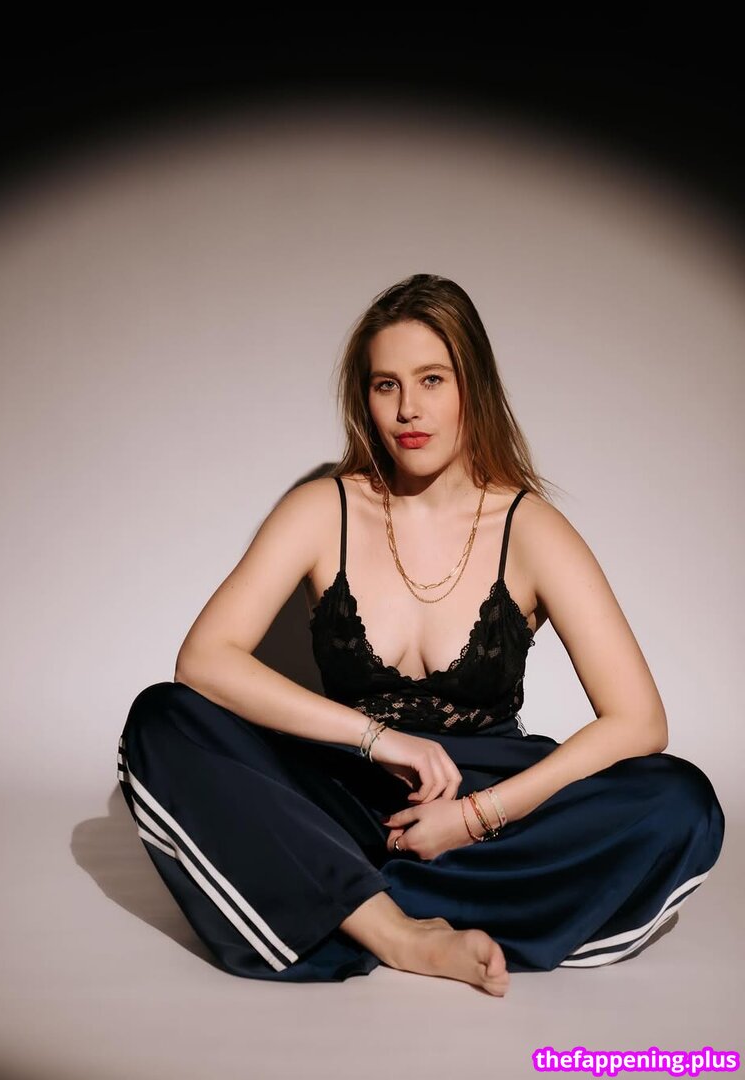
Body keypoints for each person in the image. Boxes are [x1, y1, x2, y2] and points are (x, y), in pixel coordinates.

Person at [116, 273, 724, 996]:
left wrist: (473, 818)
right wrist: (380, 740)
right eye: (386, 385)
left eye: (432, 380)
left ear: (473, 387)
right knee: (163, 718)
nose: (408, 408)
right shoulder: (322, 510)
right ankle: (395, 930)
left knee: (680, 800)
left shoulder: (532, 529)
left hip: (488, 806)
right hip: (340, 793)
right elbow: (204, 660)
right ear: (365, 399)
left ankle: (335, 894)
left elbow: (639, 720)